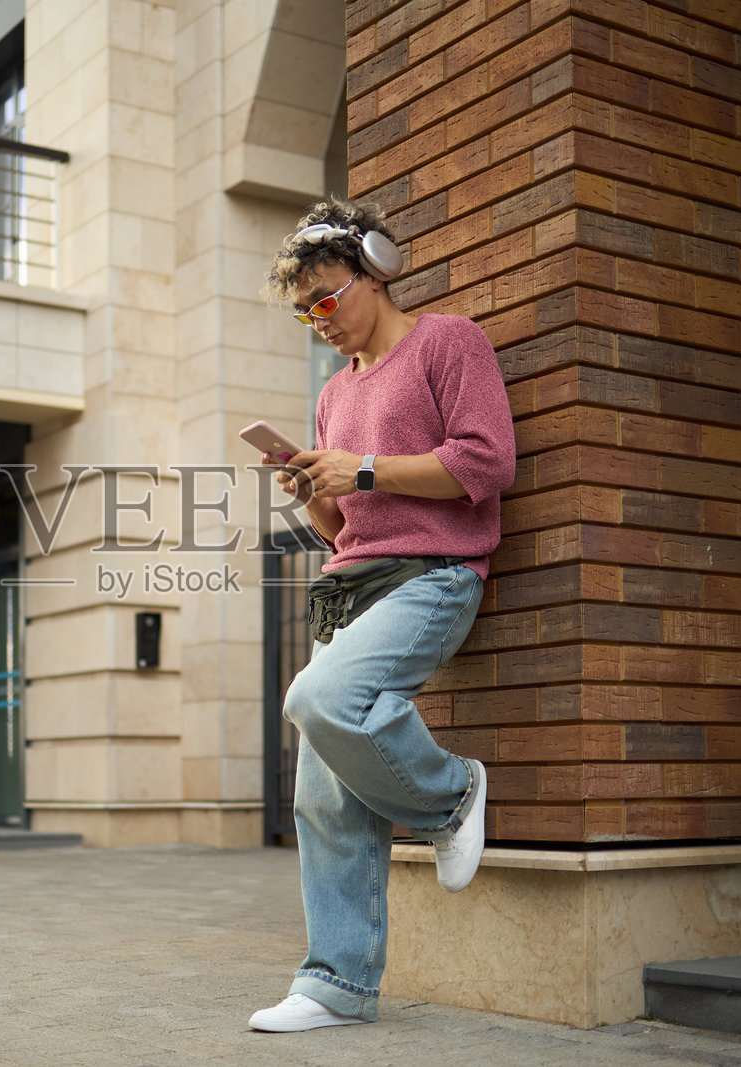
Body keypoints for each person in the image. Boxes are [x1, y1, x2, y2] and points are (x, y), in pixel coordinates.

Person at [249, 196, 516, 1033]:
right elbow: (345, 527)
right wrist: (314, 491)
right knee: (322, 801)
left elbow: (485, 461)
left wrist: (362, 470)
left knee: (318, 700)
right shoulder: (334, 397)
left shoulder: (448, 342)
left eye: (327, 298)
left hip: (434, 574)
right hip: (353, 584)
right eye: (305, 312)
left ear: (376, 269)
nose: (318, 320)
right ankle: (336, 984)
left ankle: (450, 793)